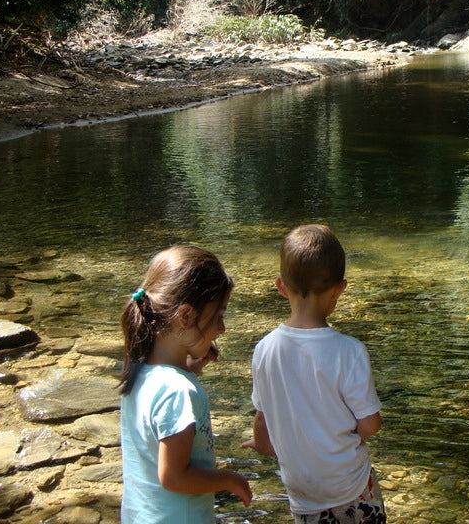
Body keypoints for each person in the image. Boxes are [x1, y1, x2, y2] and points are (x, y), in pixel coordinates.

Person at [241, 224, 386, 524]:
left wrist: (262, 444)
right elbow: (370, 425)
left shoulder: (264, 350)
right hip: (352, 487)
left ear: (281, 287)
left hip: (303, 495)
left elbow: (263, 418)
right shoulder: (350, 351)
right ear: (339, 290)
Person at [119, 245, 252, 524]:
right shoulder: (178, 391)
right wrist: (229, 479)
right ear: (186, 316)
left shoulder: (140, 372)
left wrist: (190, 368)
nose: (222, 329)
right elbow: (174, 477)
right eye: (218, 315)